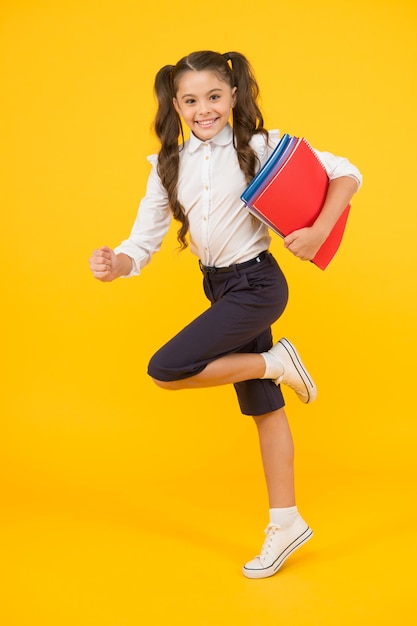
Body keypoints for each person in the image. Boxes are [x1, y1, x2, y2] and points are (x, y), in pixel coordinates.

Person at [89, 50, 362, 579]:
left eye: (214, 96)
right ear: (177, 104)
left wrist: (322, 229)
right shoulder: (169, 164)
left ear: (234, 96)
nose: (203, 109)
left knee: (167, 368)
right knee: (265, 409)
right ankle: (286, 523)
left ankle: (276, 363)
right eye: (191, 100)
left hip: (257, 284)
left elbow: (346, 173)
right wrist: (114, 264)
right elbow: (140, 244)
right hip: (220, 288)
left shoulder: (259, 146)